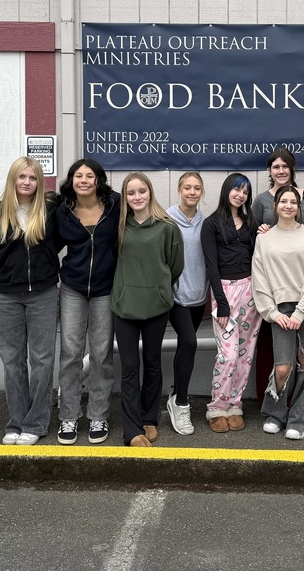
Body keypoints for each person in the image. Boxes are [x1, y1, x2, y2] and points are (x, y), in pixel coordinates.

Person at [110, 173, 185, 446]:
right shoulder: (118, 226)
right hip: (124, 306)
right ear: (125, 197)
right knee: (130, 367)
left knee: (153, 363)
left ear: (150, 193)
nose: (137, 197)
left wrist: (158, 288)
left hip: (156, 306)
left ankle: (149, 418)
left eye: (142, 191)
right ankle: (131, 430)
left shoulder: (167, 227)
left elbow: (175, 266)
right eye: (131, 193)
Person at [0, 157, 60, 446]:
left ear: (39, 182)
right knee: (12, 361)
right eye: (22, 177)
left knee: (42, 360)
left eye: (33, 178)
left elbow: (58, 242)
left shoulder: (50, 210)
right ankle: (16, 422)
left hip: (43, 293)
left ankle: (35, 422)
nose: (27, 183)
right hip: (7, 294)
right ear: (13, 179)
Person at [254, 185, 304, 440]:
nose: (288, 205)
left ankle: (298, 419)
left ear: (299, 207)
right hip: (279, 309)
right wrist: (272, 313)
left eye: (293, 202)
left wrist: (302, 311)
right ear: (275, 206)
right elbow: (259, 277)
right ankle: (276, 414)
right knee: (283, 366)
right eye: (283, 201)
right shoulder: (263, 238)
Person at [55, 158, 120, 445]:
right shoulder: (62, 211)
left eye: (89, 175)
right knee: (70, 353)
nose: (83, 180)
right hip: (72, 288)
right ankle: (68, 417)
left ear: (98, 180)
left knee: (102, 354)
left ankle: (98, 416)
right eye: (78, 175)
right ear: (71, 180)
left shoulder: (115, 205)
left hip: (106, 289)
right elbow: (46, 245)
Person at [251, 147, 304, 399]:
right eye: (275, 167)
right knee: (278, 356)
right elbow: (255, 238)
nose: (281, 171)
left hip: (303, 285)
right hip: (274, 288)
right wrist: (260, 231)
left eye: (285, 166)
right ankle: (273, 405)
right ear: (269, 170)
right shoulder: (261, 201)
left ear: (293, 169)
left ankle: (299, 410)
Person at [201, 173, 260, 433]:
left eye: (245, 192)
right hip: (224, 293)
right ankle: (217, 406)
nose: (241, 195)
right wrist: (221, 304)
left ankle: (235, 405)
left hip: (250, 292)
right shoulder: (211, 224)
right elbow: (211, 266)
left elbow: (260, 256)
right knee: (228, 354)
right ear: (227, 191)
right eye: (236, 189)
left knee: (245, 354)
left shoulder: (251, 223)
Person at [165, 171, 208, 435]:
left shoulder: (206, 221)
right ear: (179, 190)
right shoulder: (167, 219)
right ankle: (181, 403)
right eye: (187, 188)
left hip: (198, 297)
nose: (192, 192)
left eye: (197, 188)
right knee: (190, 342)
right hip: (176, 297)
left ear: (202, 193)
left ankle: (175, 394)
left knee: (185, 346)